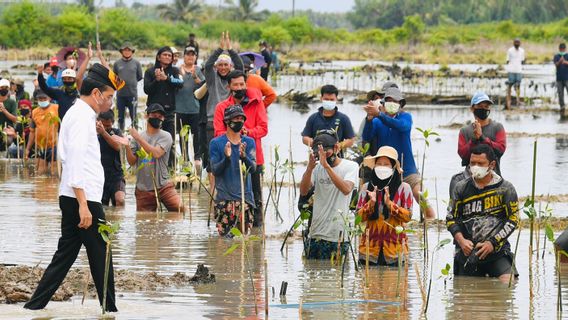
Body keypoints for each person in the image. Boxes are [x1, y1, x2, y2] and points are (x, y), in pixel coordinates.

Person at [24, 63, 124, 312]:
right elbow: (76, 161)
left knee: (65, 256)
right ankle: (110, 311)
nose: (111, 103)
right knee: (102, 255)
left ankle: (33, 308)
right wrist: (83, 205)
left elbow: (69, 159)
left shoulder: (81, 114)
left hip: (73, 195)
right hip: (83, 198)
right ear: (97, 94)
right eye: (109, 97)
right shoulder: (81, 117)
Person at [446, 144, 519, 282]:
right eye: (472, 163)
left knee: (508, 283)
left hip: (497, 251)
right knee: (463, 293)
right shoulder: (460, 188)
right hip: (467, 251)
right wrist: (461, 241)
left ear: (491, 165)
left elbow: (513, 219)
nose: (475, 166)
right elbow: (451, 218)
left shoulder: (506, 189)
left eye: (480, 163)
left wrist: (492, 243)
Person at [362, 86, 435, 219]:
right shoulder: (377, 121)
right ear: (383, 104)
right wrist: (369, 118)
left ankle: (432, 222)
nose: (392, 103)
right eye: (389, 100)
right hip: (387, 169)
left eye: (396, 101)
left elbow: (402, 126)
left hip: (408, 169)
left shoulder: (405, 117)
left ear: (400, 104)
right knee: (387, 200)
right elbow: (366, 136)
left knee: (420, 195)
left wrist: (379, 115)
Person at [214, 70, 268, 226]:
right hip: (228, 157)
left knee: (255, 196)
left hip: (252, 157)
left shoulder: (257, 103)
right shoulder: (222, 107)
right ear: (229, 86)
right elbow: (218, 132)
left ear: (246, 84)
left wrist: (248, 132)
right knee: (227, 196)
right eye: (235, 85)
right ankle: (227, 228)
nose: (239, 87)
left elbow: (263, 128)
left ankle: (257, 233)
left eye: (242, 84)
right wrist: (235, 134)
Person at [299, 131, 359, 259]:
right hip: (315, 232)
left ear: (336, 148)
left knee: (336, 275)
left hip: (338, 235)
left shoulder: (351, 166)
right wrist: (309, 169)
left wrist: (326, 167)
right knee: (313, 273)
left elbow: (346, 189)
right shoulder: (316, 168)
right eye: (319, 153)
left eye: (326, 152)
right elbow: (304, 191)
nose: (323, 156)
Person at [357, 146, 413, 266]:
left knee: (394, 283)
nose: (382, 167)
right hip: (369, 251)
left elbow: (408, 216)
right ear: (374, 166)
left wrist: (390, 205)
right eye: (379, 164)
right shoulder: (366, 188)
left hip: (395, 251)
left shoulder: (404, 188)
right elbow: (358, 218)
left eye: (386, 164)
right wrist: (370, 204)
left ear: (393, 168)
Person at [122, 103, 183, 212]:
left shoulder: (166, 136)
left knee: (180, 208)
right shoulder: (138, 137)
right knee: (144, 223)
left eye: (160, 116)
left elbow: (156, 153)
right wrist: (127, 146)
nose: (157, 118)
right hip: (143, 188)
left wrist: (138, 138)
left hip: (164, 185)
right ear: (147, 116)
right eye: (154, 115)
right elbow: (132, 162)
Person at [210, 105, 257, 236]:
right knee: (225, 241)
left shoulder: (249, 142)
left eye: (241, 118)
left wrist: (244, 157)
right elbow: (215, 170)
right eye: (236, 118)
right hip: (224, 201)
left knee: (242, 240)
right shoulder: (216, 143)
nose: (239, 121)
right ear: (227, 121)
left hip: (245, 200)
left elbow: (252, 168)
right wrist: (226, 158)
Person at [203, 32, 243, 174]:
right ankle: (212, 188)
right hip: (212, 120)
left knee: (232, 154)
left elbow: (240, 66)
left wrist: (230, 49)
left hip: (231, 121)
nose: (223, 67)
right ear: (216, 66)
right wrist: (219, 49)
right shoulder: (212, 78)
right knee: (212, 155)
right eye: (220, 65)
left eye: (226, 64)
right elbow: (207, 65)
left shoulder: (233, 80)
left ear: (230, 66)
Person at [143, 46, 184, 167]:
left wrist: (166, 79)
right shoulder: (150, 71)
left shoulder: (175, 71)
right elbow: (146, 89)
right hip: (153, 112)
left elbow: (180, 83)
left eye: (169, 55)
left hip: (169, 111)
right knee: (151, 140)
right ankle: (149, 166)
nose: (167, 57)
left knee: (169, 141)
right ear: (158, 57)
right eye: (165, 55)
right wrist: (157, 79)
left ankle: (170, 168)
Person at [458, 92, 506, 175]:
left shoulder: (497, 127)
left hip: (493, 177)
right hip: (470, 178)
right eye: (480, 106)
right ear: (472, 108)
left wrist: (482, 138)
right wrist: (473, 140)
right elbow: (462, 154)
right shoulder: (465, 131)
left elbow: (500, 150)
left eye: (486, 106)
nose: (483, 109)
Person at [302, 84, 355, 152]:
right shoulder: (313, 118)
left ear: (336, 99)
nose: (329, 101)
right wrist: (313, 143)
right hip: (317, 156)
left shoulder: (343, 118)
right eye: (326, 99)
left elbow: (351, 139)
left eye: (332, 100)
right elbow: (305, 137)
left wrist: (340, 145)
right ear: (321, 98)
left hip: (337, 157)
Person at [176, 45, 205, 165]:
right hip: (180, 109)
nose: (190, 57)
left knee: (196, 136)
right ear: (184, 56)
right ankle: (185, 159)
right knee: (183, 137)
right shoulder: (177, 69)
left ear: (195, 57)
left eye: (192, 55)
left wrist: (195, 77)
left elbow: (204, 86)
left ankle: (197, 159)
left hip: (195, 109)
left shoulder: (198, 70)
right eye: (188, 54)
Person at [97, 111, 125, 207]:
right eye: (103, 125)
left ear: (112, 123)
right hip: (99, 176)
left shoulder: (117, 133)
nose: (106, 128)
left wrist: (104, 132)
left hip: (116, 175)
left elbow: (118, 147)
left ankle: (120, 221)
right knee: (102, 206)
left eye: (108, 125)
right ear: (98, 122)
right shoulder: (93, 135)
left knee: (120, 200)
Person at [113, 42, 143, 130]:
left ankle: (136, 137)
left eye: (129, 50)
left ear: (132, 52)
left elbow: (139, 76)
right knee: (120, 117)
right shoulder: (117, 63)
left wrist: (131, 82)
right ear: (121, 52)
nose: (127, 52)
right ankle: (121, 134)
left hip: (132, 94)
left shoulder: (136, 63)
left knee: (134, 117)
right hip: (120, 94)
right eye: (125, 50)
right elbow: (114, 77)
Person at [506, 38, 525, 110]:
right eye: (516, 42)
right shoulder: (510, 50)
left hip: (519, 70)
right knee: (510, 85)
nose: (517, 43)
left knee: (518, 85)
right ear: (513, 43)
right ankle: (509, 101)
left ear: (520, 43)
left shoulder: (522, 51)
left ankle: (518, 100)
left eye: (518, 42)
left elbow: (522, 61)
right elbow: (507, 60)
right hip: (511, 70)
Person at [0, 78, 18, 152]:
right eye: (2, 87)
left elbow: (15, 119)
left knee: (7, 141)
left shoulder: (12, 102)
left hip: (8, 130)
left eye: (6, 88)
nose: (4, 89)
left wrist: (4, 110)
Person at [554, 43, 568, 115]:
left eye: (563, 49)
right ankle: (562, 106)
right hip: (559, 78)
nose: (562, 50)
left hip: (567, 78)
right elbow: (556, 65)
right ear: (559, 49)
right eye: (561, 49)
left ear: (565, 49)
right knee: (560, 93)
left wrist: (565, 62)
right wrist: (560, 61)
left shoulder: (567, 55)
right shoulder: (556, 56)